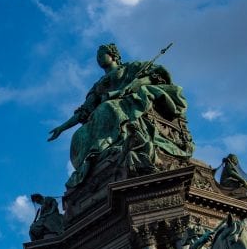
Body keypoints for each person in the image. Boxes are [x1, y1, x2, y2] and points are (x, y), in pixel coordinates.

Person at [48, 43, 190, 188]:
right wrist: (62, 128)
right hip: (102, 115)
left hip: (123, 104)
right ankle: (98, 157)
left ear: (113, 55)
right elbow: (84, 111)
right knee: (79, 135)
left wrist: (136, 84)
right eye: (96, 57)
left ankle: (119, 140)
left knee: (107, 107)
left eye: (101, 54)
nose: (98, 58)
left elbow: (156, 75)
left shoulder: (130, 68)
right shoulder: (98, 86)